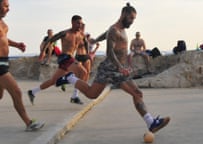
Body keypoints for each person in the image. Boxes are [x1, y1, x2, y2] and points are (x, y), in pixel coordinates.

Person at [56, 3, 170, 133]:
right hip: (110, 68)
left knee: (136, 93)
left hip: (118, 69)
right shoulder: (114, 30)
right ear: (123, 15)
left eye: (134, 19)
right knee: (92, 94)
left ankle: (151, 123)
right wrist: (121, 67)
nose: (132, 22)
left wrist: (95, 40)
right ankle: (70, 78)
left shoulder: (119, 30)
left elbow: (106, 34)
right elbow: (109, 51)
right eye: (131, 18)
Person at [0, 0, 44, 131]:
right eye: (6, 6)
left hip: (4, 61)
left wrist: (17, 45)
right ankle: (29, 123)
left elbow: (3, 39)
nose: (8, 9)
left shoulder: (3, 23)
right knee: (16, 92)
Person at [28, 15, 87, 105]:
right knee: (83, 72)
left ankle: (33, 92)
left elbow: (85, 42)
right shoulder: (65, 33)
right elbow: (50, 40)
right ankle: (74, 96)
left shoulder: (81, 34)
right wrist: (43, 52)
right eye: (78, 23)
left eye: (81, 23)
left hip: (70, 58)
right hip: (65, 57)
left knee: (53, 81)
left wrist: (88, 54)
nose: (80, 25)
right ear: (72, 23)